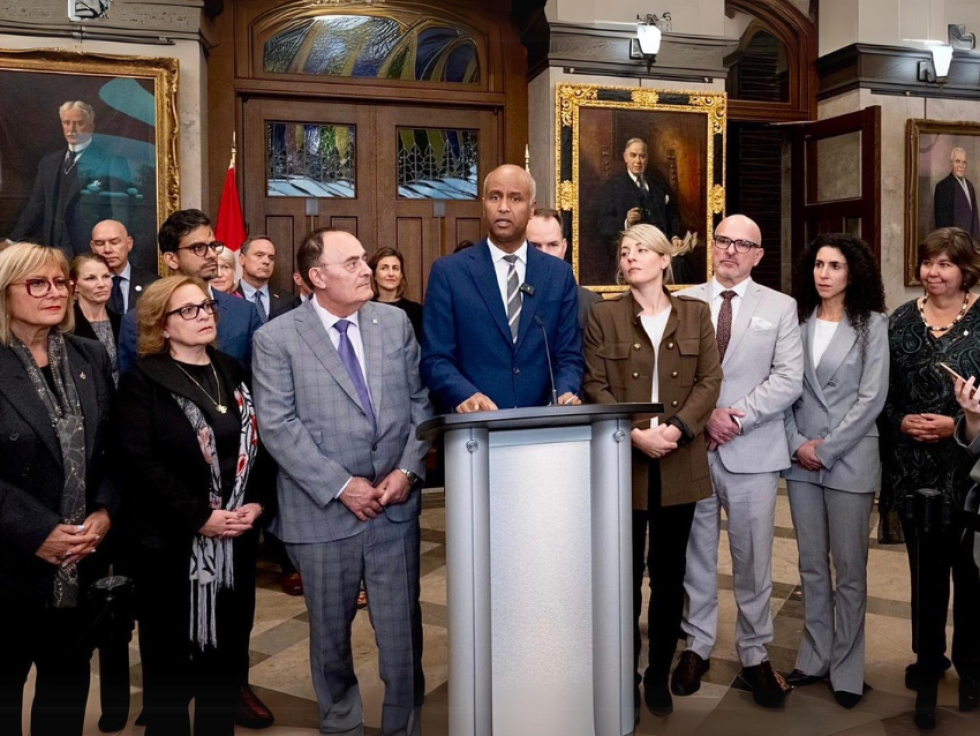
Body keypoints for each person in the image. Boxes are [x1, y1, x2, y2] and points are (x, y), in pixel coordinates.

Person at [252, 227, 432, 736]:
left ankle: (404, 725)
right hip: (324, 512)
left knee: (402, 636)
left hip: (395, 506)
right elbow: (279, 426)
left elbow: (420, 402)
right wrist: (341, 486)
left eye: (363, 260)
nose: (366, 269)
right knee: (330, 635)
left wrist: (406, 470)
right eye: (351, 262)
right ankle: (341, 723)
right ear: (316, 277)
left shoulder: (394, 323)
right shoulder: (275, 339)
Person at [115, 209, 270, 727]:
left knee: (224, 667)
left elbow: (256, 446)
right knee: (171, 674)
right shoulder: (145, 379)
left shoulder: (231, 368)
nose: (205, 314)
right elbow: (139, 462)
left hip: (235, 543)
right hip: (171, 547)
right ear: (161, 323)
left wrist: (255, 504)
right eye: (189, 311)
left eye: (206, 306)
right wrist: (198, 517)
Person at [583, 224, 722, 722]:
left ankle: (658, 674)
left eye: (641, 250)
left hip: (680, 463)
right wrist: (636, 433)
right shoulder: (605, 316)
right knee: (622, 580)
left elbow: (710, 380)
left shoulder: (696, 314)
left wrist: (680, 430)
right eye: (624, 251)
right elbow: (595, 385)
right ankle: (624, 678)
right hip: (626, 463)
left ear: (665, 260)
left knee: (669, 578)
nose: (631, 257)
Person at [673, 214, 803, 707]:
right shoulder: (684, 302)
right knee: (696, 555)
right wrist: (705, 419)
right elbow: (675, 375)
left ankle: (754, 652)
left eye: (741, 244)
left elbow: (789, 378)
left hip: (753, 449)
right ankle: (697, 644)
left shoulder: (781, 306)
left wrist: (736, 418)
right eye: (722, 240)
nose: (729, 250)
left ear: (758, 254)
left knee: (754, 560)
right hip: (695, 451)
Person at [0, 243, 118, 736]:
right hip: (9, 565)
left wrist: (106, 511)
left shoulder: (87, 353)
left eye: (60, 283)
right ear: (5, 293)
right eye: (38, 284)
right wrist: (38, 531)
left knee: (65, 693)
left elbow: (114, 448)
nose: (55, 293)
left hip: (81, 563)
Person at [781, 234, 889, 709]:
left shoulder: (873, 327)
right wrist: (796, 444)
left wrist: (825, 449)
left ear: (854, 273)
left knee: (850, 571)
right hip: (801, 458)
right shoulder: (795, 324)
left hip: (849, 458)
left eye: (836, 266)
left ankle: (846, 668)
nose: (824, 274)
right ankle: (813, 657)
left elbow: (872, 399)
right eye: (819, 264)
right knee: (810, 566)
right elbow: (781, 390)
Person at [879, 226, 980, 710]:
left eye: (944, 264)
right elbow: (880, 396)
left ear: (965, 270)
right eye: (927, 263)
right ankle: (928, 658)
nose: (933, 273)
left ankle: (974, 666)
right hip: (913, 469)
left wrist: (955, 423)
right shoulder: (899, 322)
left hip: (971, 471)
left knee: (973, 574)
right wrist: (903, 421)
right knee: (926, 574)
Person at [421, 164, 583, 412]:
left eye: (515, 198)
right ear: (484, 205)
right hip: (473, 429)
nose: (504, 207)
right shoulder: (449, 273)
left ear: (531, 210)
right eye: (495, 197)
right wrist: (465, 394)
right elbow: (435, 358)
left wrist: (565, 392)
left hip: (543, 426)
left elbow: (569, 354)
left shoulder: (558, 274)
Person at [117, 210, 263, 376]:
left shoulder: (244, 312)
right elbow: (133, 389)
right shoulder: (138, 321)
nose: (211, 255)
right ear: (172, 259)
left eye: (213, 246)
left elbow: (257, 383)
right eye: (198, 248)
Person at [6, 102, 130, 257]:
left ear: (91, 126)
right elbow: (35, 207)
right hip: (52, 251)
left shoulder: (111, 162)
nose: (72, 129)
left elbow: (120, 216)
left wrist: (108, 250)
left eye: (79, 123)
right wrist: (12, 241)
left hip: (90, 254)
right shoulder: (49, 163)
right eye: (67, 123)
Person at [595, 139, 690, 284]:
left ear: (647, 158)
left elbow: (672, 214)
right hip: (634, 249)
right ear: (625, 157)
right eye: (633, 155)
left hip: (661, 247)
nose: (638, 161)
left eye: (642, 156)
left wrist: (675, 237)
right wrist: (626, 221)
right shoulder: (613, 186)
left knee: (679, 265)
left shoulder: (657, 183)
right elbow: (603, 224)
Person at [527, 206, 602, 335]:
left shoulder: (592, 305)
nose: (545, 253)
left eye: (552, 245)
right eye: (535, 246)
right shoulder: (508, 301)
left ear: (564, 247)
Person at [70, 253, 120, 385]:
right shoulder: (66, 326)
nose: (101, 284)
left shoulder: (121, 321)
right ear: (75, 285)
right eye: (90, 278)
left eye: (106, 276)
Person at [90, 219, 159, 313]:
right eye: (100, 244)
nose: (107, 250)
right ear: (93, 247)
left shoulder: (154, 284)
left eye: (114, 242)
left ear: (129, 243)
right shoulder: (85, 287)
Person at [369, 246, 423, 342]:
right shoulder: (364, 310)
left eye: (395, 268)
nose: (391, 273)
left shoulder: (416, 312)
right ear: (374, 275)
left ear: (401, 275)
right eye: (384, 268)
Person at [236, 235, 293, 322]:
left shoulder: (288, 300)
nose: (266, 261)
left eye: (271, 258)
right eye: (259, 255)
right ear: (242, 259)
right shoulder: (228, 296)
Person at [935, 148, 980, 239]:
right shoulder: (943, 187)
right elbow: (942, 224)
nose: (961, 165)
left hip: (970, 244)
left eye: (964, 162)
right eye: (957, 161)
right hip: (954, 244)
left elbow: (974, 219)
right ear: (951, 163)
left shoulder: (970, 186)